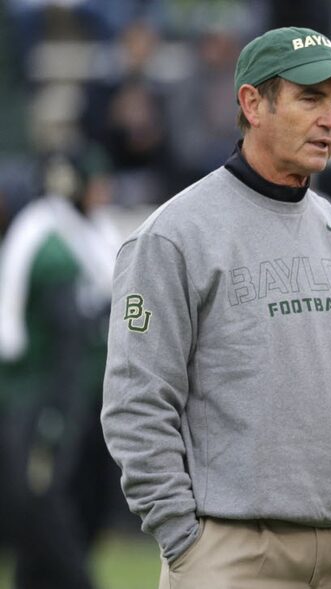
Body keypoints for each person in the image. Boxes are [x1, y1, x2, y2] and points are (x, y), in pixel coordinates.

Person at [100, 27, 331, 589]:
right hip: (233, 550)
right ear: (252, 103)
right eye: (310, 98)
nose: (330, 119)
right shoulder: (173, 236)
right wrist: (183, 539)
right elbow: (136, 402)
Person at [0, 144, 121, 589]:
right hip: (46, 399)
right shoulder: (48, 247)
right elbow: (65, 342)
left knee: (85, 500)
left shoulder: (90, 237)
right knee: (45, 501)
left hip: (82, 394)